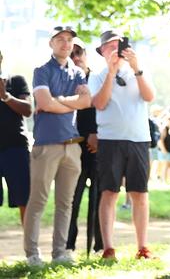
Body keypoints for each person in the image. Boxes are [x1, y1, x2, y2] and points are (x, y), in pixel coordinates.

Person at [23, 26, 91, 265]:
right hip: (47, 146)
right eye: (60, 39)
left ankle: (59, 253)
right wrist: (69, 103)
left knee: (65, 203)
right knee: (38, 201)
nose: (66, 43)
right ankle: (32, 254)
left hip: (72, 147)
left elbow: (86, 102)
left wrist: (58, 101)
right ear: (51, 43)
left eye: (69, 40)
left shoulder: (78, 74)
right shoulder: (41, 71)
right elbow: (43, 102)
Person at [89, 30, 156, 260]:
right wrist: (111, 72)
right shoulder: (97, 75)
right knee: (109, 192)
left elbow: (149, 96)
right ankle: (108, 248)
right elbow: (99, 102)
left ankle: (143, 247)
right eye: (110, 46)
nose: (115, 49)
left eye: (119, 45)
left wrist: (137, 68)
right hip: (110, 140)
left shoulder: (139, 70)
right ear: (102, 51)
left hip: (138, 139)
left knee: (140, 194)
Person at [66, 37, 103, 253]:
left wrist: (96, 134)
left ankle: (99, 246)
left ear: (86, 55)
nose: (76, 57)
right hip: (73, 146)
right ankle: (68, 245)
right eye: (72, 53)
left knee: (98, 198)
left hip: (98, 146)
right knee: (71, 198)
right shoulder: (65, 81)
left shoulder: (98, 79)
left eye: (79, 52)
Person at [0, 48, 33, 226]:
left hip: (16, 148)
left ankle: (30, 249)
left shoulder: (16, 80)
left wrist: (5, 96)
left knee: (24, 198)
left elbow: (28, 110)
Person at [158, 113, 170, 184]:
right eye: (169, 119)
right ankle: (163, 180)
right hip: (166, 150)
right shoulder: (164, 128)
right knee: (165, 165)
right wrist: (164, 150)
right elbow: (160, 140)